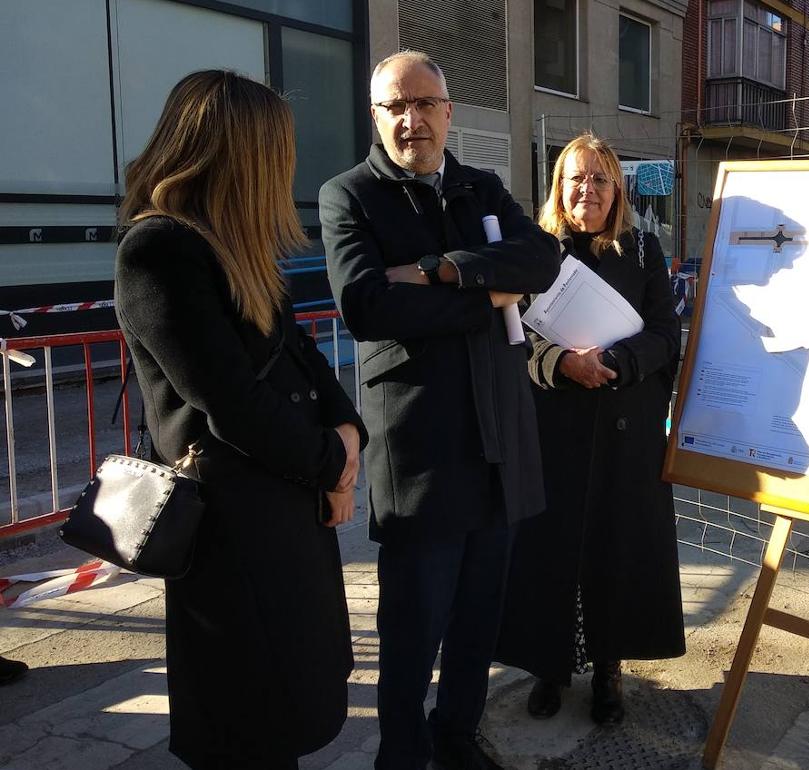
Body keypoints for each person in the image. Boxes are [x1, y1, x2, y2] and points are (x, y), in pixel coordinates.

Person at [114, 70, 366, 769]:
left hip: (282, 511)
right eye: (276, 154)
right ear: (239, 156)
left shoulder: (236, 250)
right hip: (231, 530)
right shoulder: (158, 251)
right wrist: (332, 462)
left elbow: (301, 354)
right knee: (250, 716)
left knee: (285, 701)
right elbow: (232, 404)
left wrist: (348, 433)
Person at [319, 51, 560, 770]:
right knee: (413, 624)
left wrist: (441, 271)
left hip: (499, 438)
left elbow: (541, 260)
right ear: (376, 116)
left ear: (449, 112)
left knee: (479, 616)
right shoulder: (350, 195)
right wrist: (487, 297)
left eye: (425, 104)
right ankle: (401, 751)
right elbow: (366, 304)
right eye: (395, 106)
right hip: (420, 447)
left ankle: (457, 736)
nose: (411, 119)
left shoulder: (481, 188)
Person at [494, 133, 686, 724]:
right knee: (550, 553)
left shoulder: (644, 251)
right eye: (577, 178)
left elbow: (664, 333)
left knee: (616, 550)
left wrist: (617, 363)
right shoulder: (533, 252)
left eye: (601, 179)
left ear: (618, 189)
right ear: (559, 186)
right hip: (552, 429)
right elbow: (510, 336)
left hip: (623, 430)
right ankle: (550, 667)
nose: (588, 189)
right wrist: (561, 363)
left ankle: (608, 669)